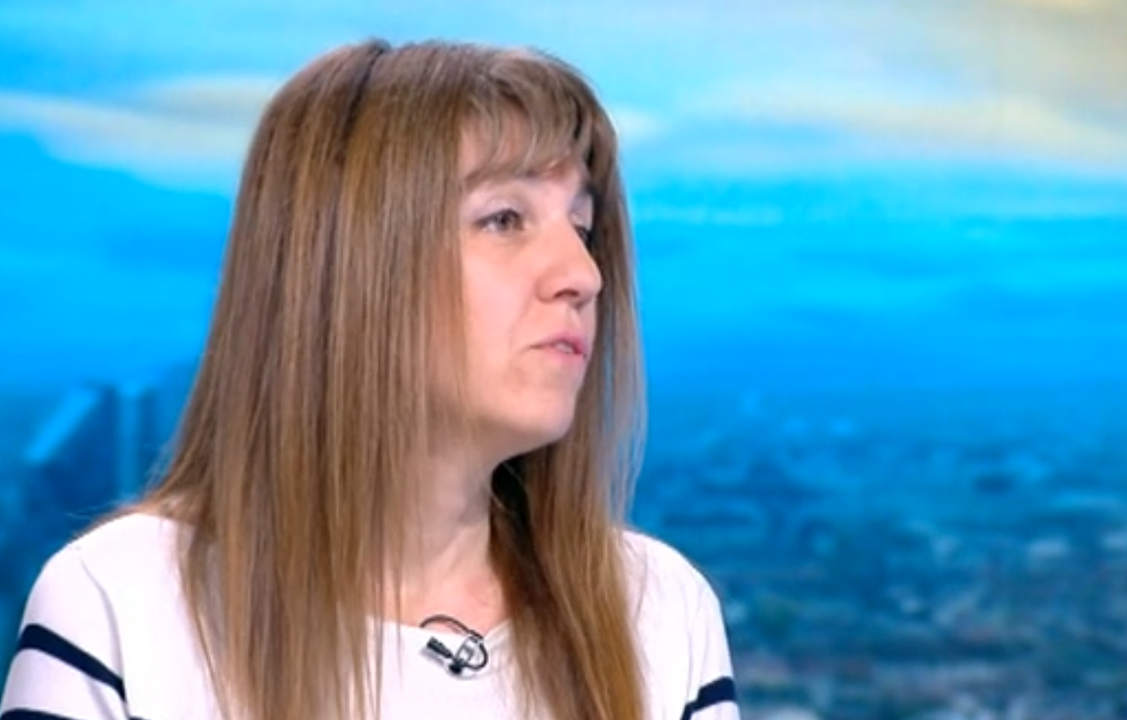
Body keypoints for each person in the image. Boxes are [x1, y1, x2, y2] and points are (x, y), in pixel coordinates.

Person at [0, 39, 739, 720]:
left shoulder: (660, 614)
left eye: (581, 228)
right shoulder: (120, 605)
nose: (583, 275)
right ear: (345, 267)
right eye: (505, 219)